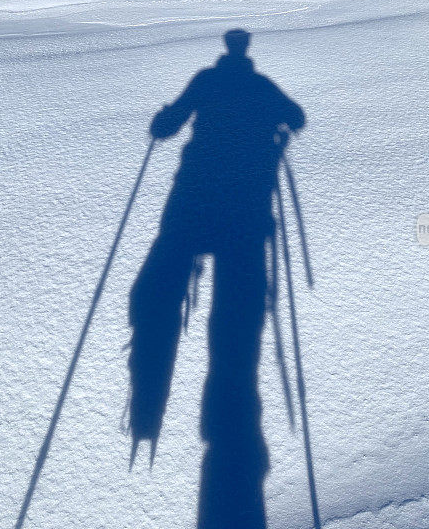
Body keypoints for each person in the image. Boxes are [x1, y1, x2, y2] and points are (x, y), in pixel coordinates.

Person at [128, 28, 305, 529]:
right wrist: (274, 131)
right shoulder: (262, 85)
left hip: (196, 195)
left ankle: (152, 368)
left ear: (226, 51)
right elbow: (297, 118)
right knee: (236, 312)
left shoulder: (205, 80)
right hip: (246, 207)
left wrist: (162, 120)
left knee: (168, 267)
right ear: (245, 53)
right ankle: (230, 373)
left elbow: (167, 125)